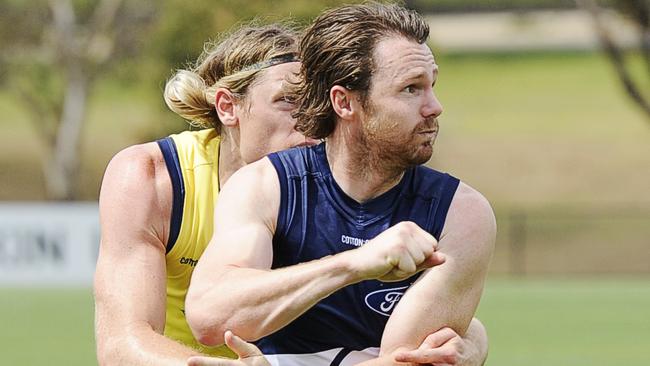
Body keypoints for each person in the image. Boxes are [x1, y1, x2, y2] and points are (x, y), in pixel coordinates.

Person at [94, 19, 489, 366]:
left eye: (316, 102)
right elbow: (120, 345)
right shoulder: (155, 178)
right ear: (228, 107)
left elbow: (363, 308)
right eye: (288, 101)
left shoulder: (322, 191)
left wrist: (470, 334)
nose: (311, 119)